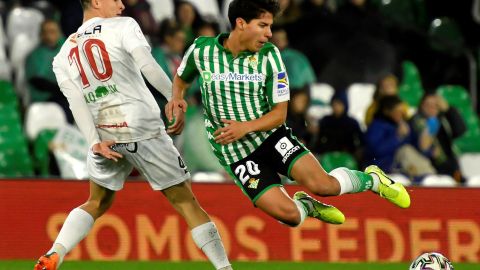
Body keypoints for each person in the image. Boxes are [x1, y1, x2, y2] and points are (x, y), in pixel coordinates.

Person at [168, 0, 411, 230]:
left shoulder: (269, 56)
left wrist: (245, 127)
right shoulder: (202, 50)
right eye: (263, 25)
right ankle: (306, 205)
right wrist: (177, 98)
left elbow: (279, 115)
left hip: (271, 137)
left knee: (324, 186)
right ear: (241, 23)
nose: (269, 34)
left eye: (270, 26)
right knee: (291, 217)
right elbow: (181, 78)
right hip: (236, 155)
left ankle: (373, 180)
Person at [34, 1, 232, 270]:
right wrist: (173, 97)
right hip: (142, 127)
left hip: (105, 136)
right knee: (186, 201)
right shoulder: (124, 25)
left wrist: (94, 142)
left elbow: (76, 103)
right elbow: (148, 66)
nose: (122, 4)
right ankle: (224, 268)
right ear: (95, 2)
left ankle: (55, 251)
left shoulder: (63, 53)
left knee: (96, 201)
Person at [25, 19, 74, 123]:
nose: (49, 35)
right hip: (47, 98)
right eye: (46, 32)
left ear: (59, 33)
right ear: (41, 35)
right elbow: (37, 81)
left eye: (53, 31)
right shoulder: (34, 56)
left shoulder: (67, 49)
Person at [410, 93, 466, 182]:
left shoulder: (443, 121)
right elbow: (412, 145)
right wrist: (429, 152)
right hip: (425, 169)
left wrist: (449, 110)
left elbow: (460, 130)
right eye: (427, 104)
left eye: (435, 105)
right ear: (421, 106)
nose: (431, 107)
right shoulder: (415, 122)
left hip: (448, 167)